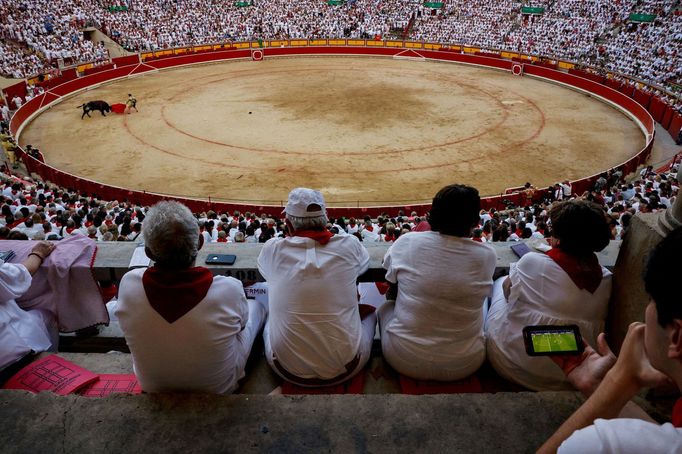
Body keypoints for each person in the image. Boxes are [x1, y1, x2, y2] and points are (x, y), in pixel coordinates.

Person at [539, 227, 682, 453]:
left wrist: (619, 379)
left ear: (676, 335)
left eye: (652, 300)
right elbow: (661, 438)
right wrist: (602, 385)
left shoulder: (601, 444)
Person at [115, 201, 266, 394]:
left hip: (152, 386)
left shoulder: (129, 284)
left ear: (148, 252)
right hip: (220, 388)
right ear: (201, 243)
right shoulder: (229, 288)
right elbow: (242, 327)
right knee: (257, 308)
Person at [486, 199, 613, 390]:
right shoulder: (606, 279)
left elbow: (507, 291)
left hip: (512, 363)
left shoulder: (532, 262)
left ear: (558, 236)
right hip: (571, 375)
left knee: (500, 284)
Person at [257, 187, 375, 386]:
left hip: (285, 369)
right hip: (348, 367)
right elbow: (362, 266)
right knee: (372, 313)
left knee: (269, 311)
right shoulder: (350, 245)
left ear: (288, 224)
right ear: (325, 220)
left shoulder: (272, 249)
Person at [378, 184, 496, 381]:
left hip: (402, 358)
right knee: (485, 300)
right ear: (475, 221)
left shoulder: (407, 242)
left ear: (433, 213)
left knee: (384, 307)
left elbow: (390, 279)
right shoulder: (486, 255)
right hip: (466, 363)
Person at [0, 241, 56, 372]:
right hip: (7, 356)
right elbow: (18, 276)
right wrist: (38, 254)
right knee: (47, 315)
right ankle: (49, 365)